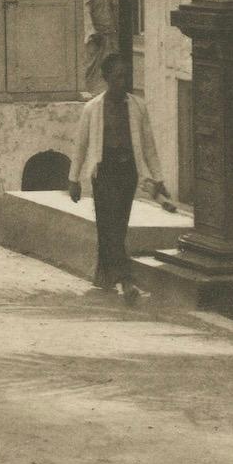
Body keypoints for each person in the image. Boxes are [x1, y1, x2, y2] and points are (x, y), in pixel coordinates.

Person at [69, 51, 166, 303]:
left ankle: (104, 275)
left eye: (126, 76)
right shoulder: (93, 108)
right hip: (104, 173)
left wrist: (158, 178)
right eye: (118, 77)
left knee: (116, 226)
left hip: (127, 173)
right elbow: (81, 144)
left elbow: (148, 145)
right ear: (107, 78)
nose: (123, 81)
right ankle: (126, 281)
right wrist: (74, 179)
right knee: (110, 226)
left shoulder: (137, 106)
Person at [82, 0, 118, 92]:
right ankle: (90, 92)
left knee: (110, 66)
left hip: (111, 36)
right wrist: (93, 34)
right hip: (96, 38)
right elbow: (86, 16)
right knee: (92, 67)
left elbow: (116, 13)